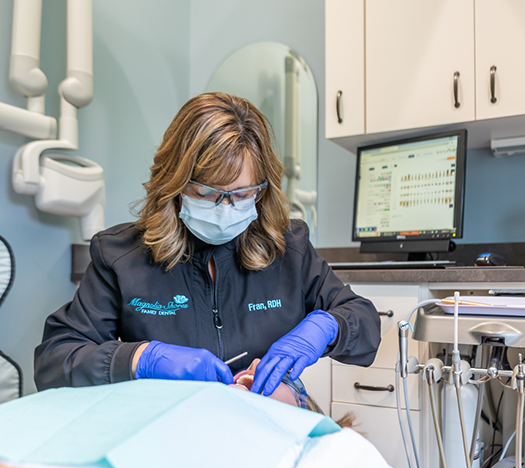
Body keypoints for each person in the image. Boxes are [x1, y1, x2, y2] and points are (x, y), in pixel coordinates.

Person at [34, 92, 381, 395]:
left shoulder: (289, 248)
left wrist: (326, 327)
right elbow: (55, 360)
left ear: (263, 190)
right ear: (174, 183)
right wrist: (142, 359)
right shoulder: (121, 257)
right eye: (208, 193)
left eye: (243, 193)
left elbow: (363, 320)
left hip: (266, 427)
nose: (226, 208)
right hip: (169, 428)